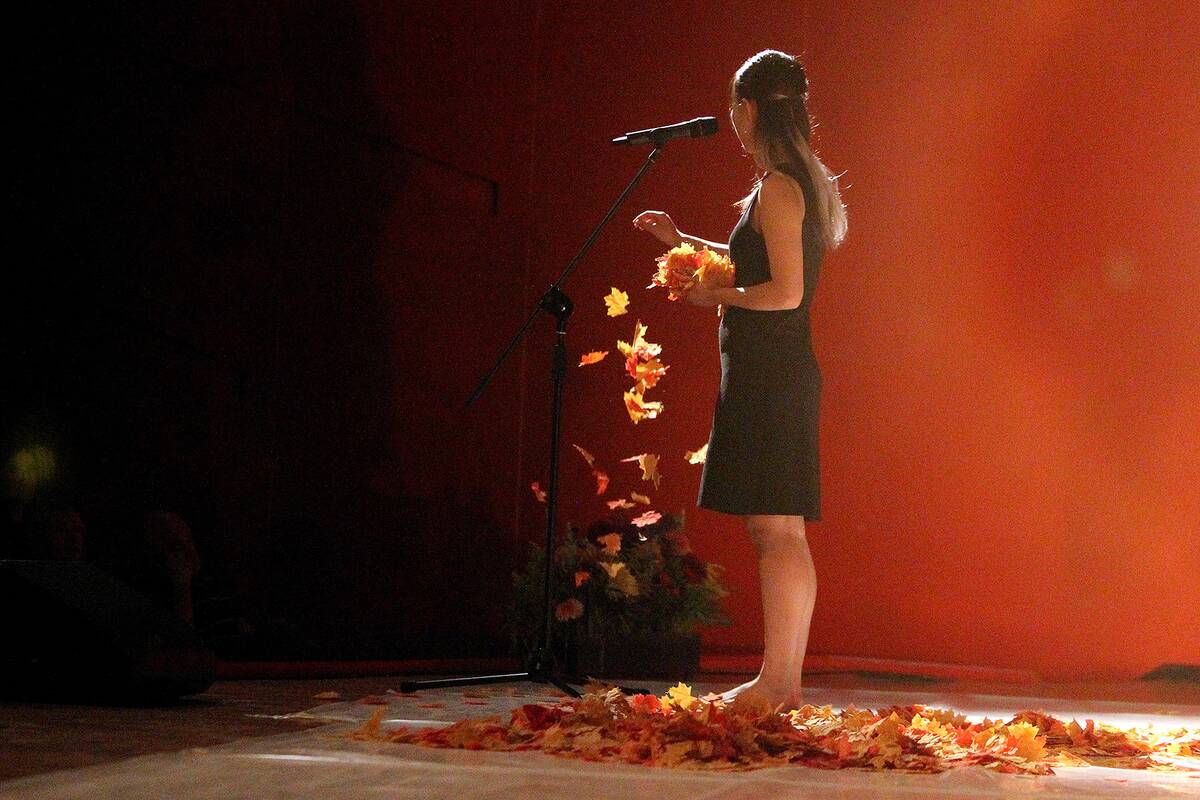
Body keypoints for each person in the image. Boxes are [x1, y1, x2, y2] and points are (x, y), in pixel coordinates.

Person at [632, 49, 847, 710]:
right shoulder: (788, 184)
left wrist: (711, 297)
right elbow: (751, 260)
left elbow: (784, 292)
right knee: (776, 530)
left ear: (747, 110)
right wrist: (681, 242)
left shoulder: (781, 186)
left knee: (778, 531)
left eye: (733, 107)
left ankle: (779, 683)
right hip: (768, 372)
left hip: (772, 375)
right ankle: (781, 681)